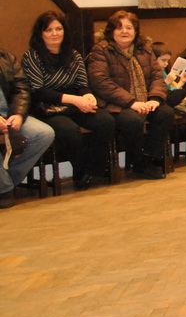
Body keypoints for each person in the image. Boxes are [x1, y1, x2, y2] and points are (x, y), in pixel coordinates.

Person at [21, 11, 114, 191]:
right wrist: (75, 100)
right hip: (47, 107)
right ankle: (81, 173)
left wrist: (88, 96)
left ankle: (94, 170)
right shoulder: (32, 56)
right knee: (68, 130)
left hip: (75, 103)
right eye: (49, 30)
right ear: (40, 33)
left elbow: (82, 84)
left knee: (106, 121)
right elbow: (38, 91)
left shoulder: (74, 55)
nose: (54, 33)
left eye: (58, 29)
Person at [85, 11, 174, 179]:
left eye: (129, 27)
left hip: (145, 100)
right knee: (132, 120)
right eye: (119, 28)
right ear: (111, 31)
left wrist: (155, 98)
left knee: (165, 113)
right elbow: (101, 82)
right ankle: (138, 161)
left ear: (136, 30)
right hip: (115, 103)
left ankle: (149, 157)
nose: (124, 31)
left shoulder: (145, 49)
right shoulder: (101, 50)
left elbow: (157, 77)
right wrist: (131, 102)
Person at [1, 46, 56, 208]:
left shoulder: (6, 57)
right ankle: (4, 189)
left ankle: (7, 181)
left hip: (10, 113)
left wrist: (18, 114)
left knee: (43, 133)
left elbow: (22, 88)